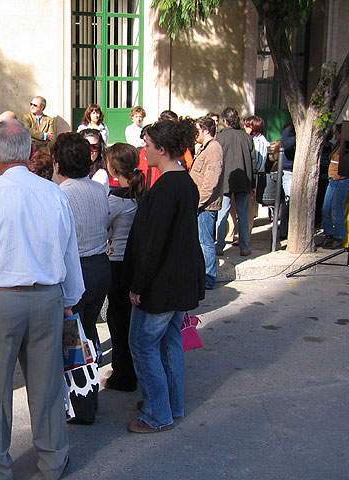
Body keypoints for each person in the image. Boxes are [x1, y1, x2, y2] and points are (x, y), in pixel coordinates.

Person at [0, 120, 83, 480]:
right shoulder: (54, 193)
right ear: (28, 153)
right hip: (46, 299)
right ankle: (54, 460)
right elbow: (69, 252)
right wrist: (70, 297)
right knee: (47, 385)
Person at [123, 118, 205, 433]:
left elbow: (152, 245)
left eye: (147, 145)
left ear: (161, 149)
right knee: (169, 343)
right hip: (179, 280)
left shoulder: (167, 188)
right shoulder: (184, 182)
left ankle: (159, 413)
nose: (144, 150)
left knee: (143, 344)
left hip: (163, 284)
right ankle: (171, 404)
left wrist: (137, 286)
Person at [53, 132, 110, 424]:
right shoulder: (98, 189)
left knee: (75, 340)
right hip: (100, 266)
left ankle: (83, 404)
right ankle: (90, 396)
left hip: (80, 269)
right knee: (86, 333)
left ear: (58, 163)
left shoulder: (62, 194)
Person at [103, 143, 146, 392]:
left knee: (117, 321)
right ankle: (127, 367)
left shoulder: (117, 199)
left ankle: (123, 375)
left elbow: (102, 223)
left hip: (118, 262)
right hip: (134, 261)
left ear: (112, 167)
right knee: (129, 320)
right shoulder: (140, 192)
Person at [214, 107, 256, 256]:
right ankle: (245, 247)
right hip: (244, 181)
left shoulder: (219, 138)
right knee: (243, 215)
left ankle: (219, 246)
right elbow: (253, 162)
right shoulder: (247, 138)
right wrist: (253, 184)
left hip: (224, 181)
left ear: (225, 121)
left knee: (222, 214)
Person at [191, 116, 224, 289]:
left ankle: (209, 278)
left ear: (205, 130)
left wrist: (198, 203)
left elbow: (210, 181)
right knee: (201, 241)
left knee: (206, 242)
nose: (195, 134)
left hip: (205, 205)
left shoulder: (213, 149)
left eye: (197, 130)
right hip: (201, 203)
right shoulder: (206, 148)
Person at [321, 124, 349, 249]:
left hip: (341, 181)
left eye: (336, 132)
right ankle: (329, 235)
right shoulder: (337, 145)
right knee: (325, 209)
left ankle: (339, 237)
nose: (334, 134)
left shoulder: (346, 146)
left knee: (336, 210)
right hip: (333, 180)